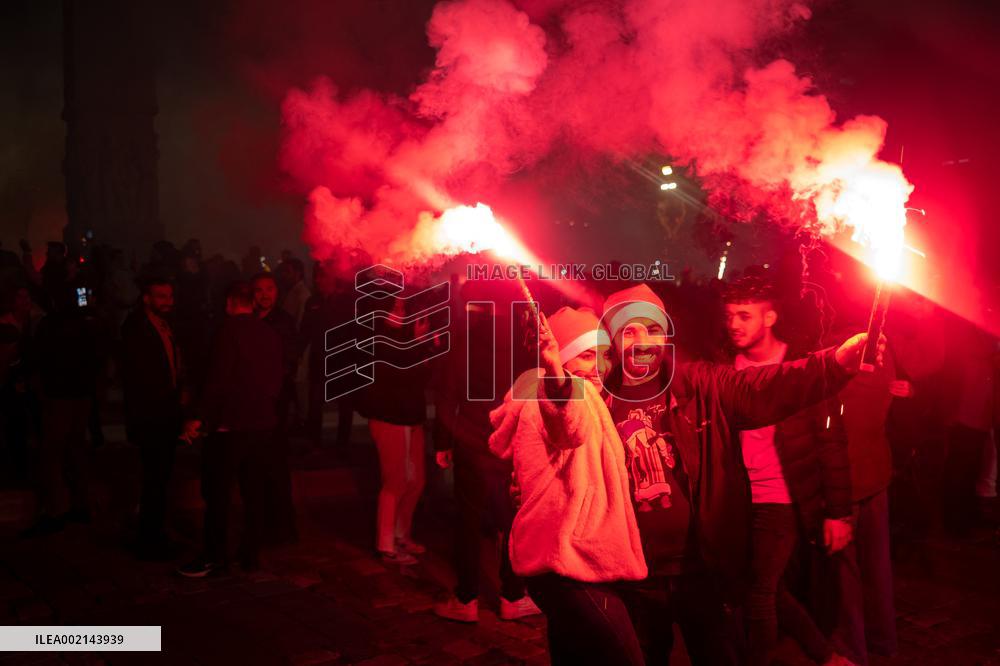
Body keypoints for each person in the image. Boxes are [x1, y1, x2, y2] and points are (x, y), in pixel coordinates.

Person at [600, 283, 879, 666]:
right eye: (628, 331)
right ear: (612, 339)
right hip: (632, 574)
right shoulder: (596, 403)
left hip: (698, 567)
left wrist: (832, 365)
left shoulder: (699, 385)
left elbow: (767, 387)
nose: (642, 341)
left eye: (652, 329)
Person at [489, 306, 647, 665]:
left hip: (567, 560)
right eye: (586, 355)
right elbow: (567, 423)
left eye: (602, 355)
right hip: (570, 564)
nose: (598, 366)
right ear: (562, 357)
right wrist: (556, 374)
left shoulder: (585, 396)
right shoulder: (560, 394)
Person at [723, 277, 854, 666]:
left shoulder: (801, 367)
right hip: (736, 502)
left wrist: (838, 512)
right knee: (763, 587)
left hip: (779, 500)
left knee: (761, 593)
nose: (734, 324)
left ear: (770, 317)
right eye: (729, 316)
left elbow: (831, 441)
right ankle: (826, 656)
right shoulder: (726, 369)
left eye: (744, 315)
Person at [434, 282, 541, 623]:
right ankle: (512, 595)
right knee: (511, 521)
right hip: (509, 444)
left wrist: (443, 442)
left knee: (468, 520)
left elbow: (447, 393)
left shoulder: (466, 340)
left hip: (474, 443)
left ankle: (467, 598)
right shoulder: (522, 343)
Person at [178, 281, 283, 577]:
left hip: (230, 427)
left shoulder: (228, 332)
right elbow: (277, 379)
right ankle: (250, 554)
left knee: (218, 494)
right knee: (254, 493)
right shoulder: (269, 333)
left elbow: (218, 381)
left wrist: (199, 417)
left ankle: (214, 556)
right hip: (262, 425)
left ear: (230, 303)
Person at [356, 296, 438, 565]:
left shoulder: (403, 339)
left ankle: (401, 535)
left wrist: (423, 344)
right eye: (397, 307)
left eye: (405, 307)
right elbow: (401, 371)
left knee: (417, 481)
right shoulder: (379, 339)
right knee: (396, 481)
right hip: (389, 416)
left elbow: (420, 377)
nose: (403, 312)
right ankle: (386, 545)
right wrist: (419, 344)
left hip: (410, 416)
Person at [25, 285, 101, 535]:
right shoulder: (87, 325)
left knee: (52, 451)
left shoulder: (50, 325)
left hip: (59, 396)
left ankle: (57, 509)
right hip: (81, 394)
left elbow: (37, 356)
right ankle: (81, 504)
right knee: (76, 449)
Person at [121, 279, 186, 559]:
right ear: (146, 298)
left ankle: (155, 531)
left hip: (166, 413)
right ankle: (150, 538)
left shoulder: (166, 324)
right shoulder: (136, 328)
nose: (167, 301)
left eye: (170, 296)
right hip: (151, 415)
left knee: (161, 476)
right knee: (155, 477)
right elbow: (139, 377)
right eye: (161, 296)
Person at [252, 272, 299, 545]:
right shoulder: (245, 321)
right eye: (259, 289)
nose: (264, 294)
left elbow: (289, 361)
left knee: (277, 467)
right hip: (253, 405)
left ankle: (282, 528)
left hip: (276, 404)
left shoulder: (283, 322)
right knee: (256, 467)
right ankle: (262, 524)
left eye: (269, 289)